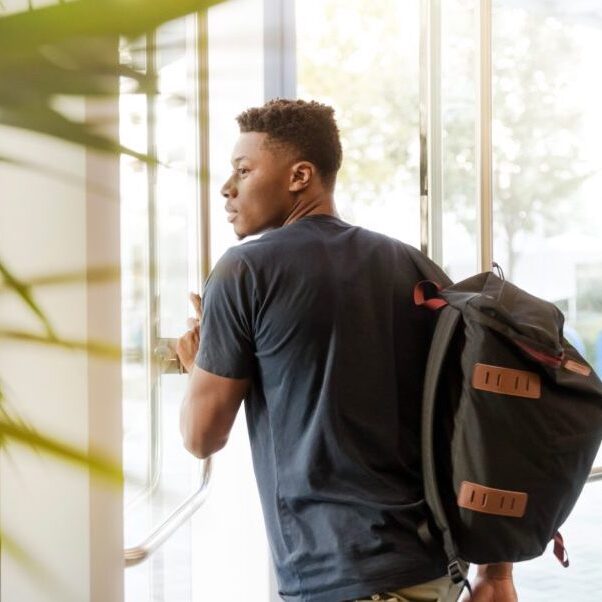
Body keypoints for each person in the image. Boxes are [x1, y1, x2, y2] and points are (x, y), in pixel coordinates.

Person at [175, 99, 518, 602]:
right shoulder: (415, 268)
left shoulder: (244, 272)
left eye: (243, 170)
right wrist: (497, 573)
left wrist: (197, 366)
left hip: (341, 577)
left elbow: (200, 437)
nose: (228, 188)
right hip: (435, 569)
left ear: (300, 176)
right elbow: (479, 416)